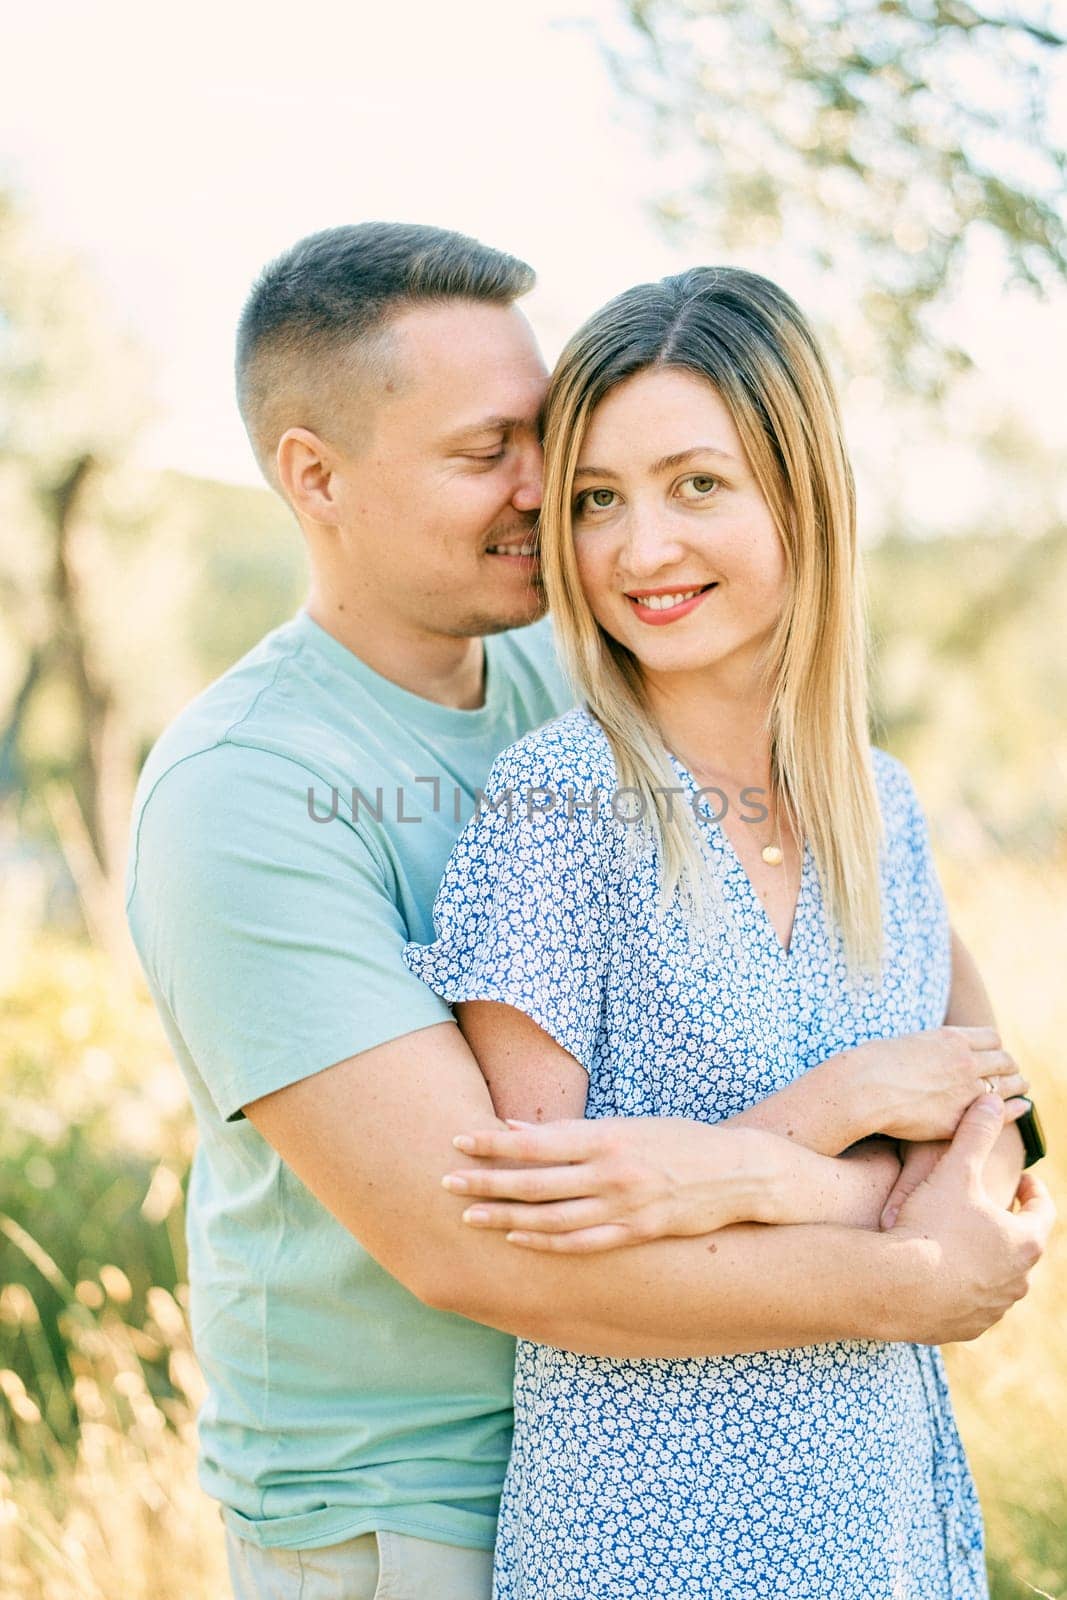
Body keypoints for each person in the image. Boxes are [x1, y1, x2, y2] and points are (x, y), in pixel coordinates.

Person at [125, 226, 1051, 1600]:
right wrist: (911, 1268)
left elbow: (983, 1100)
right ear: (313, 477)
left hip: (798, 1472)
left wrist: (779, 1177)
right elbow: (494, 1244)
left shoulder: (602, 673)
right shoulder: (246, 792)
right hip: (409, 1509)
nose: (548, 494)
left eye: (546, 437)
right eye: (486, 449)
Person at [403, 266, 1046, 1597]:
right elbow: (546, 1232)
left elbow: (1004, 1171)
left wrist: (747, 1178)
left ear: (800, 497)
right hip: (649, 1536)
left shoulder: (886, 809)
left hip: (884, 1522)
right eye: (597, 500)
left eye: (698, 484)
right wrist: (844, 1106)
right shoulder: (557, 802)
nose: (641, 550)